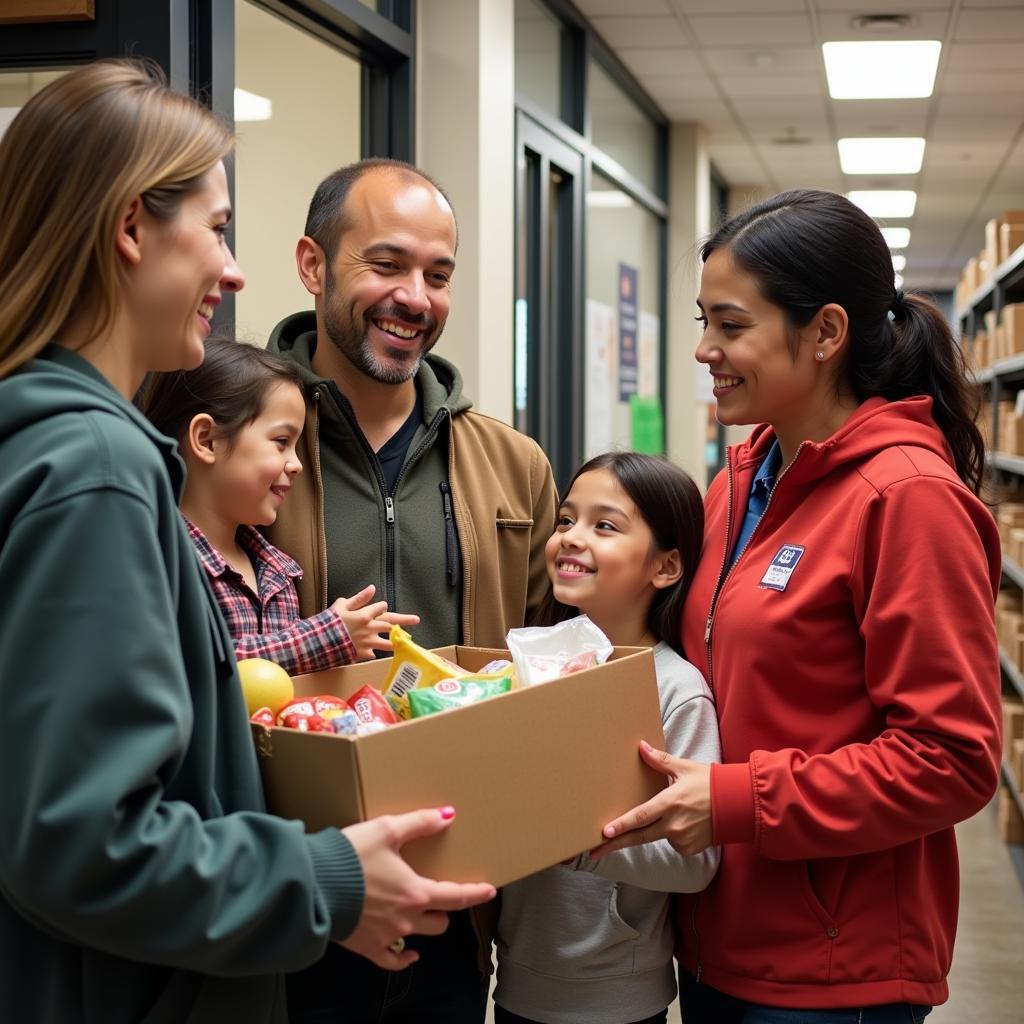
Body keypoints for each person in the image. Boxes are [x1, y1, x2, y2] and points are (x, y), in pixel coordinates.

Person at [0, 60, 494, 1024]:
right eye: (218, 229)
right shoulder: (95, 469)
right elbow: (82, 842)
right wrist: (322, 878)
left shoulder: (42, 435)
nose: (232, 270)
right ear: (132, 228)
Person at [596, 189, 1002, 1023]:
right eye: (703, 321)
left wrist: (737, 800)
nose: (705, 349)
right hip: (717, 940)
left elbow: (951, 759)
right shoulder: (736, 486)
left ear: (824, 333)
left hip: (832, 968)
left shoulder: (908, 500)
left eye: (732, 325)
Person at [265, 158, 558, 1022]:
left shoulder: (514, 464)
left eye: (438, 275)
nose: (415, 298)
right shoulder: (230, 439)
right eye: (386, 265)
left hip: (455, 905)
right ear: (314, 266)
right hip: (287, 903)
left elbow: (546, 665)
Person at [493, 452, 722, 1024]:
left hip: (617, 992)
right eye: (566, 520)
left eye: (605, 525)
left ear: (665, 567)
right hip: (515, 978)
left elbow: (696, 862)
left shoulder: (674, 688)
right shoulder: (526, 665)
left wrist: (576, 842)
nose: (571, 538)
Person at [140, 337, 419, 673]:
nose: (296, 463)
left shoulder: (279, 572)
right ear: (207, 439)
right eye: (282, 443)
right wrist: (325, 638)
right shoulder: (157, 558)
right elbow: (189, 667)